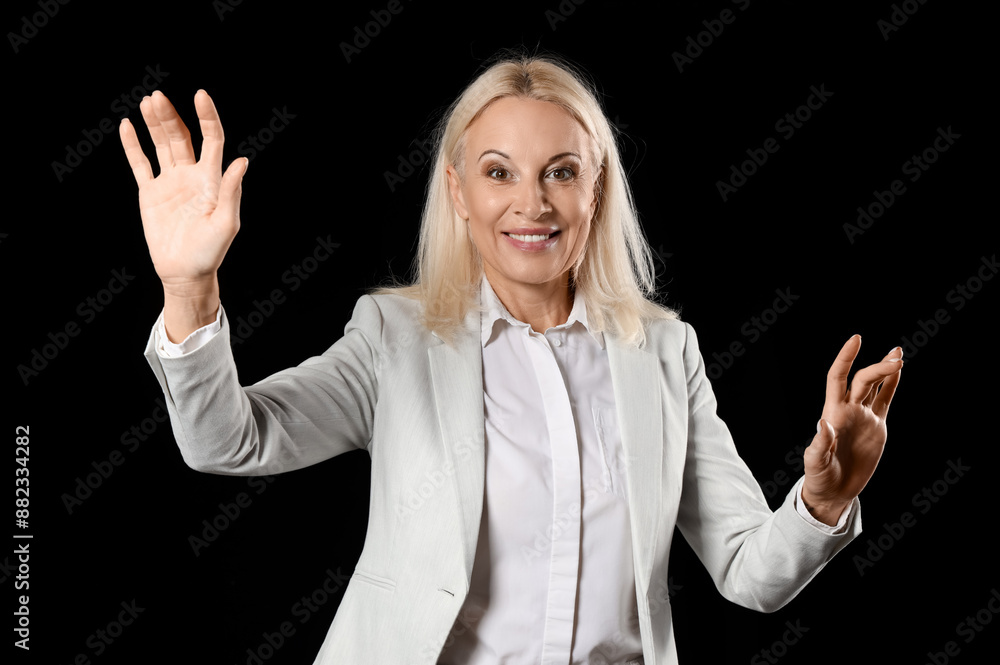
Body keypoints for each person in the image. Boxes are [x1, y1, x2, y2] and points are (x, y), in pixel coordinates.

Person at [120, 52, 902, 665]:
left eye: (561, 172)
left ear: (596, 188)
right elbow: (229, 440)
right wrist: (191, 287)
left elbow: (747, 570)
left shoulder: (665, 351)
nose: (532, 203)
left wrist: (825, 496)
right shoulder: (395, 337)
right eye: (499, 173)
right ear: (459, 192)